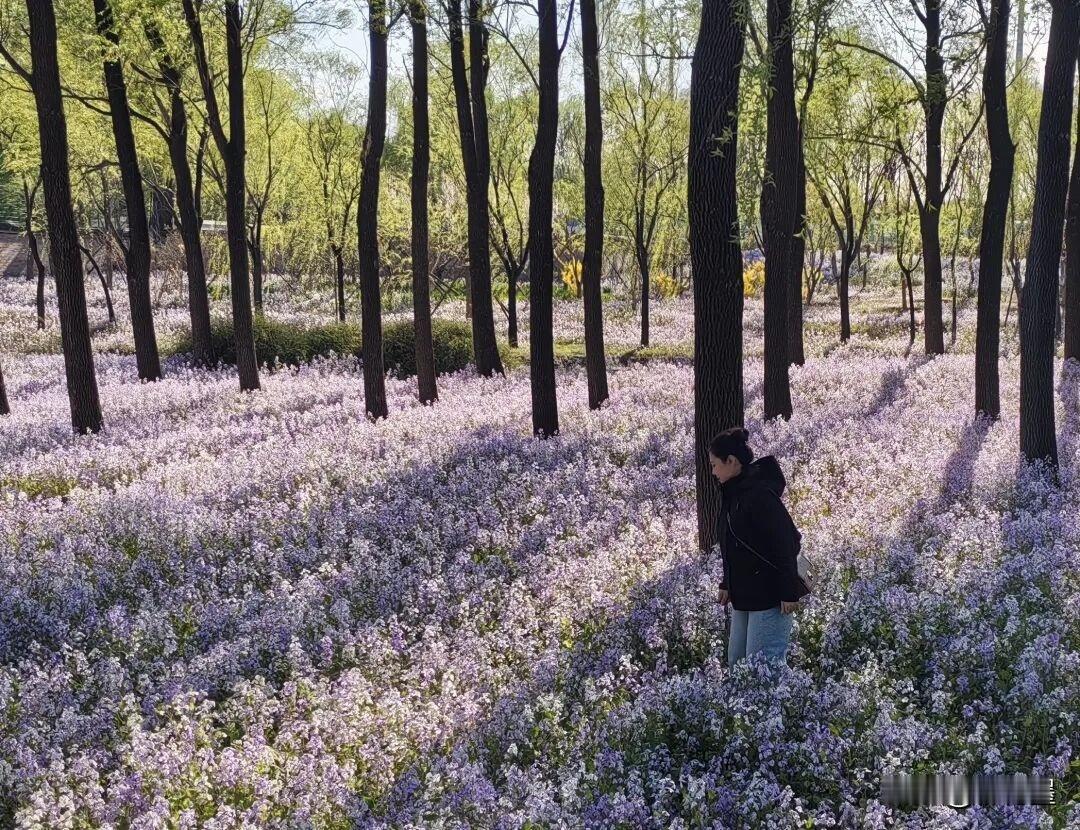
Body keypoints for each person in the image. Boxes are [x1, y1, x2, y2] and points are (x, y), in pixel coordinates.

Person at [708, 427, 809, 670]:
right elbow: (734, 544)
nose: (712, 471)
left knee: (763, 668)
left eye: (714, 465)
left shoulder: (760, 495)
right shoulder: (733, 494)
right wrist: (726, 584)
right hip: (745, 593)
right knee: (738, 663)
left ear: (731, 462)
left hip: (771, 594)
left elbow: (786, 542)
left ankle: (783, 708)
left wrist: (788, 592)